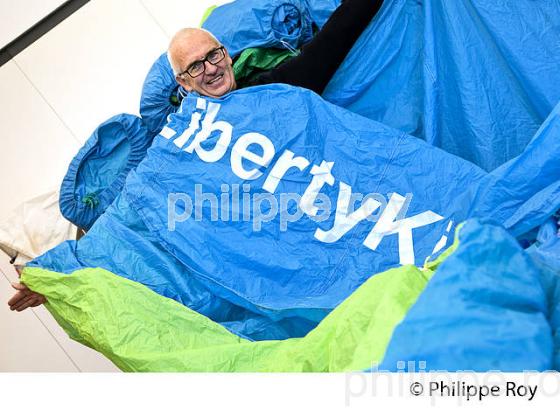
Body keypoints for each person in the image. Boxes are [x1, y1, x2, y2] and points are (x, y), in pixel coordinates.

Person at [8, 0, 383, 312]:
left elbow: (334, 41)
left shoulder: (273, 89)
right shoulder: (180, 143)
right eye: (195, 67)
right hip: (264, 260)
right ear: (183, 83)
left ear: (227, 55)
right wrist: (57, 277)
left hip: (329, 221)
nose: (210, 69)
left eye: (214, 55)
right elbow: (132, 219)